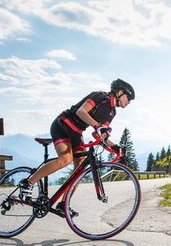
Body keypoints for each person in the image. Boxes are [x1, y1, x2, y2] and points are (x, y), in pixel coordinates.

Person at [19, 79, 135, 215]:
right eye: (128, 98)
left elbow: (99, 134)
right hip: (63, 124)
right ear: (120, 92)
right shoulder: (100, 96)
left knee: (80, 168)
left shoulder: (112, 112)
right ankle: (28, 182)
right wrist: (97, 126)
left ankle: (63, 204)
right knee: (66, 159)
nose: (129, 102)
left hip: (77, 132)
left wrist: (115, 147)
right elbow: (81, 112)